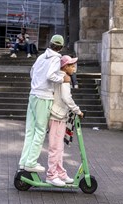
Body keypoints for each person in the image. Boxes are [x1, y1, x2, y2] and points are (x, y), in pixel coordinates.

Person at [18, 35, 70, 173]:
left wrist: (36, 83)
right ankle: (31, 162)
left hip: (33, 94)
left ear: (51, 44)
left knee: (30, 130)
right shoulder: (56, 58)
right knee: (40, 131)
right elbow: (51, 75)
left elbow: (32, 72)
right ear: (61, 47)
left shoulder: (41, 56)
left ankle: (24, 161)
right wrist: (62, 78)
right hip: (44, 96)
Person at [46, 55, 84, 187]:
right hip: (57, 116)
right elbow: (67, 98)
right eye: (71, 66)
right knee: (55, 148)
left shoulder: (60, 76)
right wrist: (78, 111)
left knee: (59, 148)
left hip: (59, 116)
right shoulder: (65, 78)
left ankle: (60, 173)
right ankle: (51, 175)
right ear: (65, 67)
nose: (74, 68)